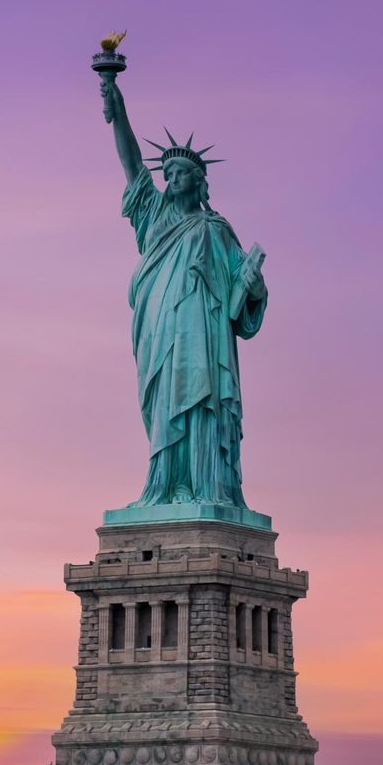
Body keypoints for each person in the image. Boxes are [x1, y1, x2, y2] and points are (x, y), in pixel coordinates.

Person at [99, 75, 268, 508]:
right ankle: (165, 484)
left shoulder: (216, 229)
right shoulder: (152, 213)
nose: (171, 179)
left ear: (198, 182)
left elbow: (242, 297)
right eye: (168, 173)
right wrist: (117, 107)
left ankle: (208, 486)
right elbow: (132, 162)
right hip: (159, 327)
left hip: (204, 333)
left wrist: (252, 285)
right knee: (163, 401)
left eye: (180, 174)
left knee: (203, 401)